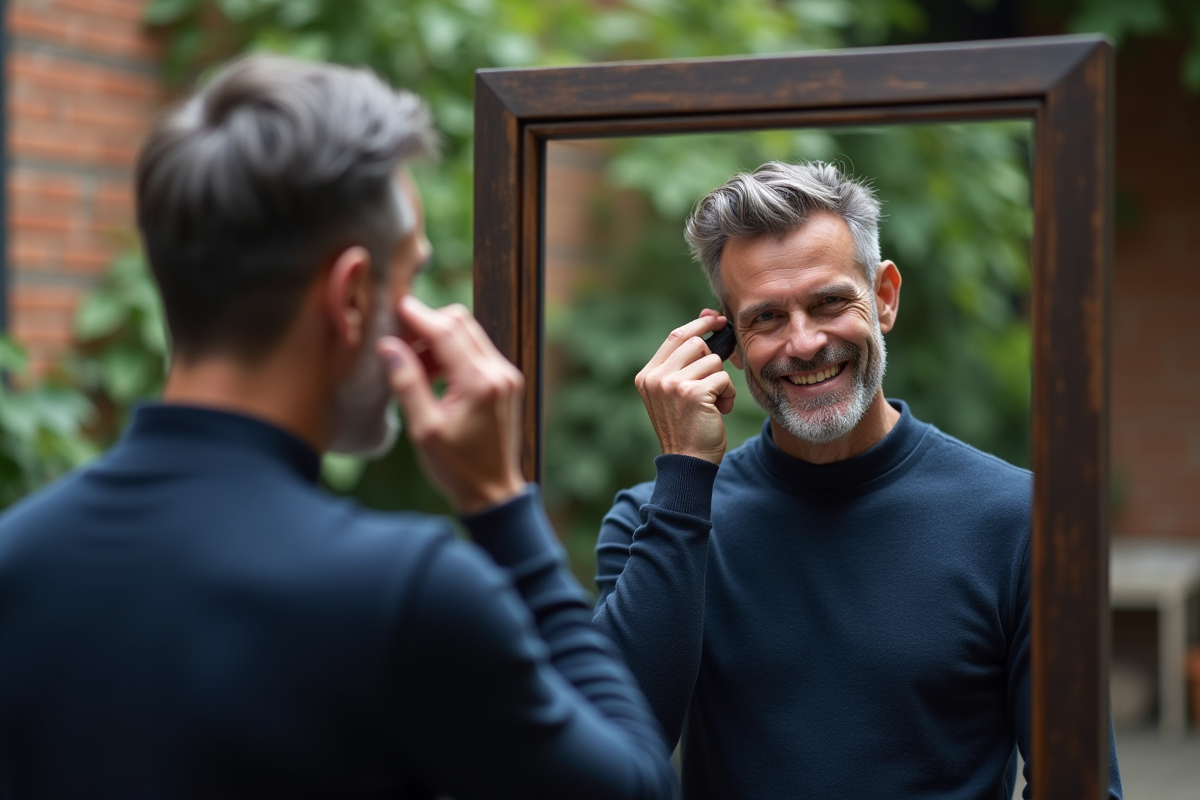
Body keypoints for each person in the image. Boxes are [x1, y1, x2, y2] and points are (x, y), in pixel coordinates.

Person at [0, 55, 677, 800]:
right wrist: (502, 504)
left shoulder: (17, 559)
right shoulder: (400, 595)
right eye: (410, 277)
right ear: (353, 296)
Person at [591, 161, 1122, 799]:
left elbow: (1082, 788)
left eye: (829, 302)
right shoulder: (658, 522)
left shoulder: (1022, 521)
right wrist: (684, 475)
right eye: (766, 319)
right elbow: (611, 759)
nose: (805, 342)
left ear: (885, 296)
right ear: (724, 340)